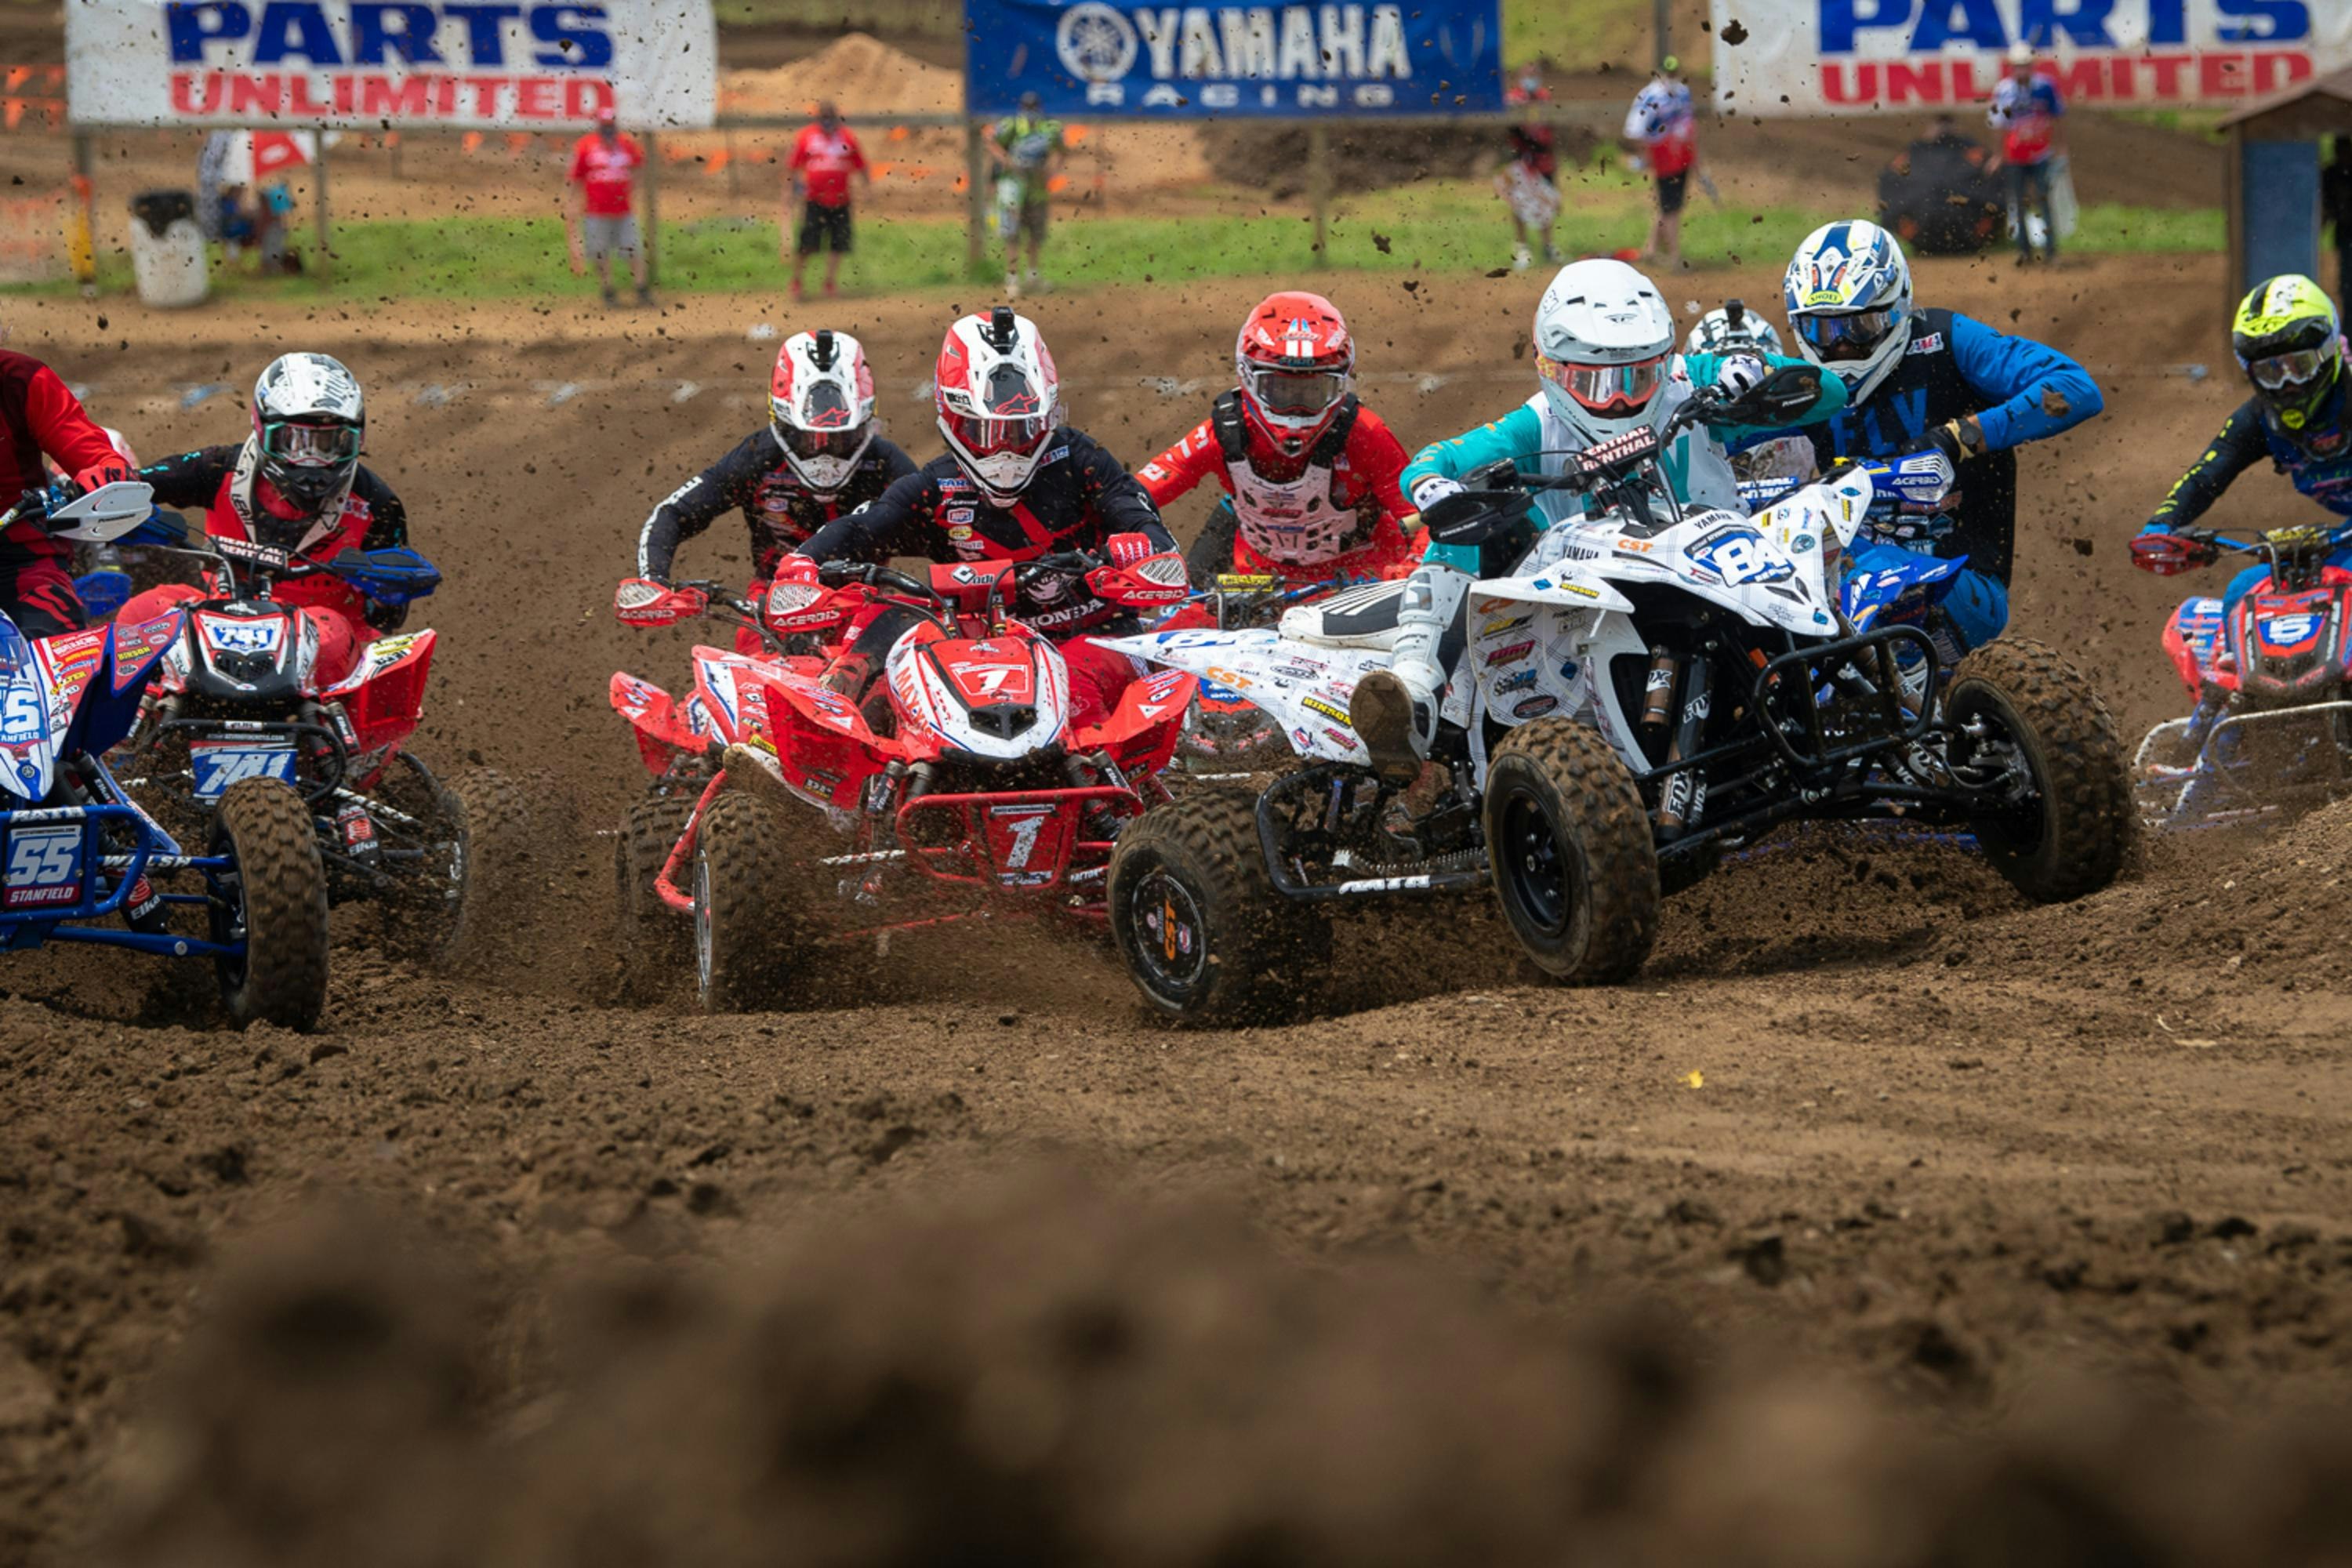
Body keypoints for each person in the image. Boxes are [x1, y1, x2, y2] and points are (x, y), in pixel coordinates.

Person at [1348, 258, 1846, 771]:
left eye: (1638, 377)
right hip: (1593, 608)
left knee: (1821, 520)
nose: (1619, 401)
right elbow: (1440, 459)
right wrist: (1431, 486)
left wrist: (1758, 371)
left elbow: (1830, 393)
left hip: (1722, 579)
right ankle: (1416, 693)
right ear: (1551, 371)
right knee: (1463, 525)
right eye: (1594, 384)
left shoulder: (1691, 382)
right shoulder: (1534, 426)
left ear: (1664, 361)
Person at [779, 307, 1178, 725]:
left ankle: (1090, 781)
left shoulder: (1079, 459)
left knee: (1070, 679)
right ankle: (845, 748)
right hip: (992, 652)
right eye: (986, 433)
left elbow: (1135, 512)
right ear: (954, 420)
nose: (1005, 451)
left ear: (1048, 419)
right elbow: (863, 525)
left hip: (1098, 636)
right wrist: (802, 564)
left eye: (1022, 431)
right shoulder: (936, 485)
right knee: (886, 627)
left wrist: (1145, 549)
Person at [1780, 219, 2101, 653]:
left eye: (1860, 328)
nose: (1841, 347)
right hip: (1839, 575)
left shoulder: (1947, 341)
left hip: (1959, 580)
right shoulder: (1805, 383)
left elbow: (2075, 387)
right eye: (1824, 329)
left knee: (1874, 576)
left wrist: (1961, 437)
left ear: (1897, 307)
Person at [119, 354, 408, 688]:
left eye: (329, 443)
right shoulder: (218, 468)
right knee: (142, 614)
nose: (311, 461)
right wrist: (93, 494)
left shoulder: (376, 503)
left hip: (321, 632)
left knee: (330, 640)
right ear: (261, 427)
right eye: (295, 441)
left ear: (355, 440)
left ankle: (329, 734)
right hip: (220, 618)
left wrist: (388, 588)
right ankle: (133, 721)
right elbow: (141, 483)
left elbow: (387, 618)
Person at [619, 329, 916, 652]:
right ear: (784, 424)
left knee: (903, 666)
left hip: (863, 599)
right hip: (771, 603)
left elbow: (943, 522)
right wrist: (655, 579)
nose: (825, 454)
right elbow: (675, 512)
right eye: (810, 440)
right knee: (752, 684)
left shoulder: (885, 462)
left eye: (840, 439)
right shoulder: (758, 457)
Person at [1136, 291, 1417, 588]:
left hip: (1360, 585)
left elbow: (1425, 514)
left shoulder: (1365, 434)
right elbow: (1136, 493)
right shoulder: (1226, 431)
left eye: (1313, 391)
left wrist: (1411, 572)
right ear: (1248, 377)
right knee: (1171, 625)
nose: (1297, 408)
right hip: (1260, 589)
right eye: (1281, 389)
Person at [2132, 276, 2352, 635]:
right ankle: (2241, 692)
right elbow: (2207, 476)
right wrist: (2161, 527)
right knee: (2243, 592)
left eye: (2299, 367)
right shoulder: (2258, 419)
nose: (2287, 384)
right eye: (2270, 372)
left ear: (2328, 353)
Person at [0, 344, 136, 637]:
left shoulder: (23, 378)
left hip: (19, 559)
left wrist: (102, 475)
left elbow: (95, 454)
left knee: (65, 650)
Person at [566, 107, 653, 309]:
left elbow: (639, 165)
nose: (608, 131)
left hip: (623, 209)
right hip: (596, 210)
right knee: (600, 252)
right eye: (605, 127)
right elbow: (575, 178)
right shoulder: (586, 146)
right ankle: (608, 292)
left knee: (633, 249)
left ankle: (641, 290)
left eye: (611, 127)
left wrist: (633, 188)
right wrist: (571, 203)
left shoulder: (625, 144)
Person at [1987, 42, 2065, 265]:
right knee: (2017, 203)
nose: (2022, 70)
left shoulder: (2046, 87)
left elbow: (2058, 117)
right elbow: (1998, 125)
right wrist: (1998, 155)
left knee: (2044, 201)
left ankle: (2051, 252)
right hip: (2014, 157)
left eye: (2026, 65)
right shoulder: (2003, 90)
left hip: (2041, 154)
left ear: (2033, 66)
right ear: (2012, 67)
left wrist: (2061, 148)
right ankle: (2024, 251)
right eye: (2018, 66)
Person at [785, 102, 869, 303]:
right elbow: (793, 166)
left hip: (841, 199)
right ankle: (797, 282)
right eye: (824, 116)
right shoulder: (807, 137)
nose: (828, 121)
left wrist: (867, 189)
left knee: (837, 244)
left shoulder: (847, 137)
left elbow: (861, 164)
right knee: (808, 244)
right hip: (815, 198)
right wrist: (790, 191)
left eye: (831, 116)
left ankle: (829, 283)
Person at [989, 92, 1066, 299]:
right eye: (1027, 107)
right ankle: (1012, 279)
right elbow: (992, 142)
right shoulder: (1011, 125)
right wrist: (1007, 161)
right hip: (1013, 186)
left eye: (1033, 107)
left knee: (1035, 233)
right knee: (1012, 234)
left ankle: (1033, 276)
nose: (1031, 112)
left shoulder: (1049, 128)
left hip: (1037, 188)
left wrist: (1051, 171)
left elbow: (1062, 150)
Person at [1624, 57, 1698, 272]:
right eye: (1668, 73)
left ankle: (1651, 249)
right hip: (1663, 156)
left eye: (1675, 72)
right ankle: (1675, 256)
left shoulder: (1684, 92)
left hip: (1682, 155)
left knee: (1670, 205)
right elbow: (1635, 130)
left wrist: (1696, 158)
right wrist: (1645, 156)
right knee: (1671, 207)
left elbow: (1691, 125)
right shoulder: (1649, 96)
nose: (1671, 77)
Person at [1497, 68, 1562, 273]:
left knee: (1546, 200)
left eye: (1534, 75)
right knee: (1519, 201)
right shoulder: (1513, 99)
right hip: (1522, 158)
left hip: (1544, 158)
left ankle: (1548, 245)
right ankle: (1522, 246)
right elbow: (1508, 124)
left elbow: (1551, 125)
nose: (1530, 80)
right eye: (1527, 75)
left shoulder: (1544, 98)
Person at [2323, 140, 2352, 300]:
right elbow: (2326, 205)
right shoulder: (2332, 173)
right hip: (2344, 232)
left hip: (2344, 230)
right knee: (2346, 280)